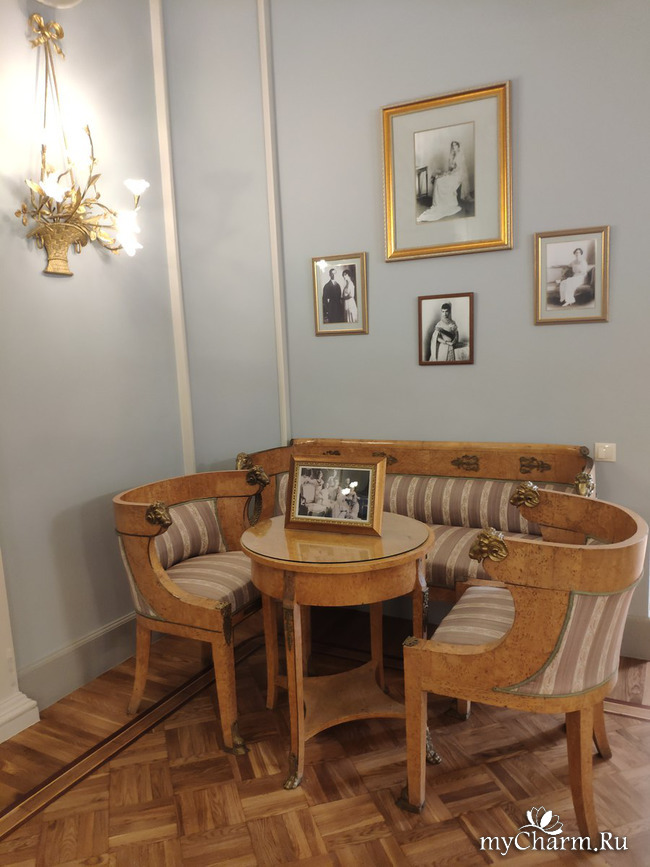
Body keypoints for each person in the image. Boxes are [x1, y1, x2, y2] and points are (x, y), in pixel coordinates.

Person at [418, 140, 470, 222]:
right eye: (452, 146)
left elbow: (458, 169)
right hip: (452, 174)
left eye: (455, 145)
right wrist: (446, 172)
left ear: (458, 146)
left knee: (442, 181)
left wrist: (448, 173)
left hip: (457, 176)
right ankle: (439, 204)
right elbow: (451, 168)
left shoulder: (460, 156)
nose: (454, 147)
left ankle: (449, 204)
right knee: (438, 180)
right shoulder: (452, 155)